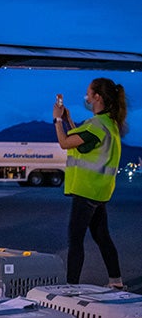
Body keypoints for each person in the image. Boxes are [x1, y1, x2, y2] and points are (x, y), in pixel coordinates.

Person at [53, 77, 127, 289]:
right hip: (99, 191)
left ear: (97, 97)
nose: (86, 97)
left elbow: (65, 143)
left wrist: (57, 120)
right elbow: (85, 145)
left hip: (87, 191)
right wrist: (69, 121)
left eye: (88, 93)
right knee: (101, 236)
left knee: (75, 241)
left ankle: (71, 287)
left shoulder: (96, 125)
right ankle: (116, 281)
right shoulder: (109, 123)